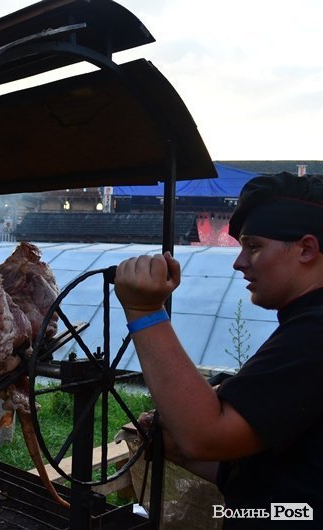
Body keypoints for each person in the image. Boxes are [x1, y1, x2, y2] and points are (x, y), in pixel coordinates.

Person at [114, 172, 323, 527]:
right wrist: (179, 449)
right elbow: (284, 474)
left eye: (254, 246)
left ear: (306, 249)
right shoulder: (304, 326)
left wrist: (144, 311)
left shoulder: (314, 334)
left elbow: (207, 436)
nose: (238, 262)